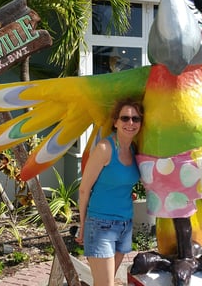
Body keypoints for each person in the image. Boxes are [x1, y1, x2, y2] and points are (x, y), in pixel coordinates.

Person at [76, 98, 143, 286]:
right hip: (100, 225)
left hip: (125, 225)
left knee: (104, 282)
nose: (130, 123)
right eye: (125, 118)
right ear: (115, 122)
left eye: (136, 119)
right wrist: (82, 225)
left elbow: (122, 183)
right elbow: (84, 189)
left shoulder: (133, 149)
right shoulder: (104, 148)